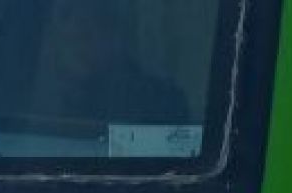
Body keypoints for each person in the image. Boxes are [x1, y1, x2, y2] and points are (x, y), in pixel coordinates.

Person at [52, 0, 189, 124]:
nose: (75, 50)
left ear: (114, 37)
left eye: (84, 37)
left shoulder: (164, 101)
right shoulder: (55, 102)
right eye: (68, 41)